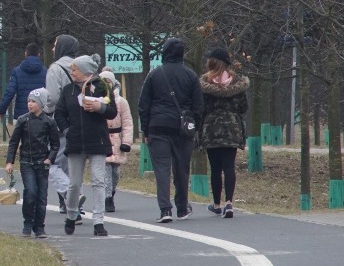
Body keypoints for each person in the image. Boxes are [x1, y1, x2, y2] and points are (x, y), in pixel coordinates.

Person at [138, 37, 204, 223]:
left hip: (158, 127)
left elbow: (143, 104)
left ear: (164, 53)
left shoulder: (154, 74)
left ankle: (165, 210)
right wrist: (194, 126)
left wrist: (146, 130)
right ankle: (182, 208)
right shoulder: (191, 76)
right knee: (182, 169)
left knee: (162, 169)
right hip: (183, 129)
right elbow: (199, 105)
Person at [54, 54, 117, 237]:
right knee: (74, 183)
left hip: (97, 141)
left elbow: (112, 111)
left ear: (85, 72)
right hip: (75, 142)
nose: (72, 72)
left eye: (75, 69)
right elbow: (59, 113)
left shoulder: (101, 87)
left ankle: (98, 221)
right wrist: (67, 131)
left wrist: (100, 108)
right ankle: (72, 214)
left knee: (98, 181)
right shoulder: (68, 91)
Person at [199, 48, 249, 219]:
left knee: (215, 168)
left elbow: (201, 108)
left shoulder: (205, 83)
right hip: (232, 129)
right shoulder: (238, 83)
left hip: (211, 129)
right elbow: (244, 107)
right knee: (229, 166)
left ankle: (216, 204)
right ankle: (229, 202)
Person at [5, 88, 60, 238]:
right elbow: (14, 142)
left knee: (42, 197)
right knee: (30, 192)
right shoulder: (23, 120)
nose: (30, 104)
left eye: (33, 102)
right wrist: (10, 161)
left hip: (42, 163)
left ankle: (40, 227)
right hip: (26, 162)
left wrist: (49, 158)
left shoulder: (49, 122)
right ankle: (27, 223)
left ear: (41, 104)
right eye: (28, 101)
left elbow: (55, 144)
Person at [44, 34, 80, 215]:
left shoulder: (55, 68)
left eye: (55, 45)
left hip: (60, 121)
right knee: (74, 163)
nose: (52, 49)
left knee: (55, 163)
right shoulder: (82, 66)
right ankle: (68, 202)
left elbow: (51, 98)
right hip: (81, 121)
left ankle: (70, 197)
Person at [99, 69, 133, 212]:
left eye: (108, 81)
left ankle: (111, 192)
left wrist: (126, 142)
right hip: (103, 140)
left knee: (115, 173)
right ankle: (107, 199)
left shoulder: (121, 102)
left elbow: (127, 123)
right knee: (105, 172)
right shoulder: (97, 101)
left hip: (118, 141)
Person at [0, 42, 48, 120]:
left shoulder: (16, 71)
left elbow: (10, 92)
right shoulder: (46, 72)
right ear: (39, 54)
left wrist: (1, 110)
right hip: (41, 114)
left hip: (22, 115)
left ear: (25, 54)